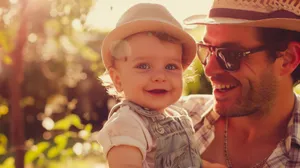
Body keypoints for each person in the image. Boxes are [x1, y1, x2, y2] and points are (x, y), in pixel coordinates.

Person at [176, 0, 300, 167]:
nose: (210, 70)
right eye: (207, 50)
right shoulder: (171, 117)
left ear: (287, 59)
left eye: (231, 55)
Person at [97, 3, 202, 168]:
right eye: (143, 66)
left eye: (171, 66)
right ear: (118, 80)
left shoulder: (178, 115)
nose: (160, 76)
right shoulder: (127, 124)